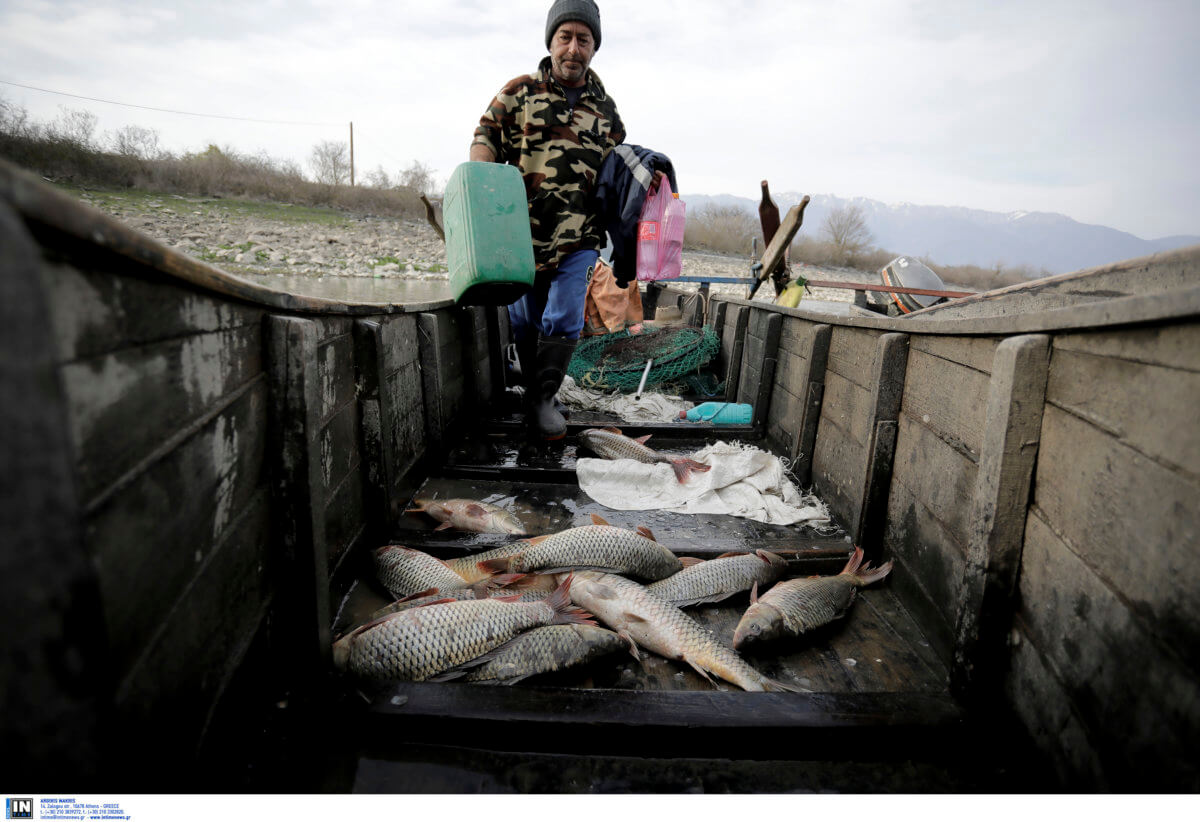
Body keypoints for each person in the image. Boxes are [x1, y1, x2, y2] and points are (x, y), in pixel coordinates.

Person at [469, 0, 625, 440]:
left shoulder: (606, 110)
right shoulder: (519, 92)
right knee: (524, 322)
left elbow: (617, 170)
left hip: (579, 234)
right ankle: (542, 393)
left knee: (564, 317)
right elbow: (484, 137)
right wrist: (482, 193)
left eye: (584, 39)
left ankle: (538, 404)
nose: (574, 48)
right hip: (521, 234)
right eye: (566, 37)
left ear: (594, 47)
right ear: (551, 41)